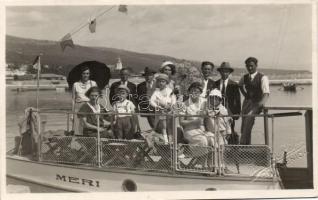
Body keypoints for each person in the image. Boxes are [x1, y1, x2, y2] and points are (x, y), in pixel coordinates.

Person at [239, 57, 270, 145]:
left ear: (256, 66)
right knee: (244, 124)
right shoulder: (245, 77)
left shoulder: (263, 78)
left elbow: (266, 93)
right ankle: (246, 146)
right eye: (248, 66)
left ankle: (242, 145)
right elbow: (240, 85)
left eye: (252, 66)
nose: (250, 68)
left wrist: (260, 104)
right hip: (246, 103)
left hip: (256, 103)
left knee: (249, 119)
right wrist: (245, 95)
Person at [215, 62, 241, 137]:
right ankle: (219, 147)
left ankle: (230, 147)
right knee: (218, 130)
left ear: (229, 72)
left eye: (226, 71)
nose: (224, 73)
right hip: (218, 112)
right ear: (220, 72)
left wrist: (237, 113)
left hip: (230, 112)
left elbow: (238, 100)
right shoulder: (215, 84)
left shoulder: (234, 85)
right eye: (222, 71)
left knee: (230, 131)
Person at [150, 73, 176, 144]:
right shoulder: (156, 92)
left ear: (166, 83)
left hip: (169, 111)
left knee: (169, 126)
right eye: (159, 81)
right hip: (160, 111)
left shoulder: (169, 90)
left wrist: (172, 105)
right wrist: (156, 106)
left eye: (163, 81)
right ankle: (165, 141)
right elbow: (151, 101)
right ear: (157, 83)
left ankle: (171, 140)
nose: (161, 83)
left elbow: (173, 98)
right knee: (163, 126)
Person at [72, 66, 97, 135]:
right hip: (79, 106)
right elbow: (73, 99)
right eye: (84, 73)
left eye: (87, 73)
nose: (86, 75)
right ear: (81, 74)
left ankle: (89, 143)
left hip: (89, 106)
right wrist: (72, 113)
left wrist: (96, 109)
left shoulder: (93, 83)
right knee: (78, 128)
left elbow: (96, 97)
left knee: (89, 126)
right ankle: (78, 142)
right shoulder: (75, 84)